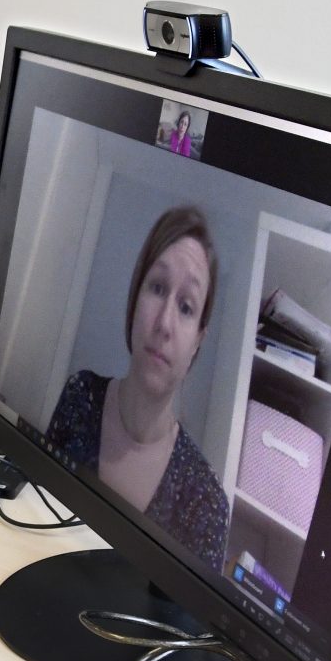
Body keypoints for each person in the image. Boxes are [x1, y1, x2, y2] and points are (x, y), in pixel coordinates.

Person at [44, 205, 230, 567]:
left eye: (187, 307)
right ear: (135, 297)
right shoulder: (79, 396)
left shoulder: (206, 503)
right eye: (157, 288)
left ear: (197, 342)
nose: (164, 323)